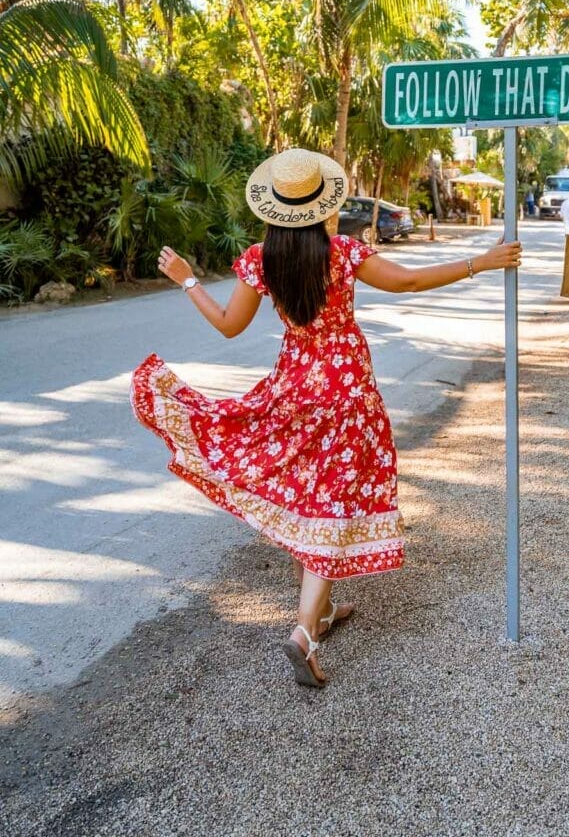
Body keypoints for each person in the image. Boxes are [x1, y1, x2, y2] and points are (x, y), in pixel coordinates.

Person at [131, 148, 522, 690]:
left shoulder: (259, 260)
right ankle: (303, 634)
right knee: (333, 499)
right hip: (346, 391)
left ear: (273, 209)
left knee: (303, 492)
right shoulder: (343, 252)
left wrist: (187, 280)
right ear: (321, 205)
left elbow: (227, 325)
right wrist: (482, 260)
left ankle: (325, 609)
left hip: (293, 387)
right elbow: (408, 282)